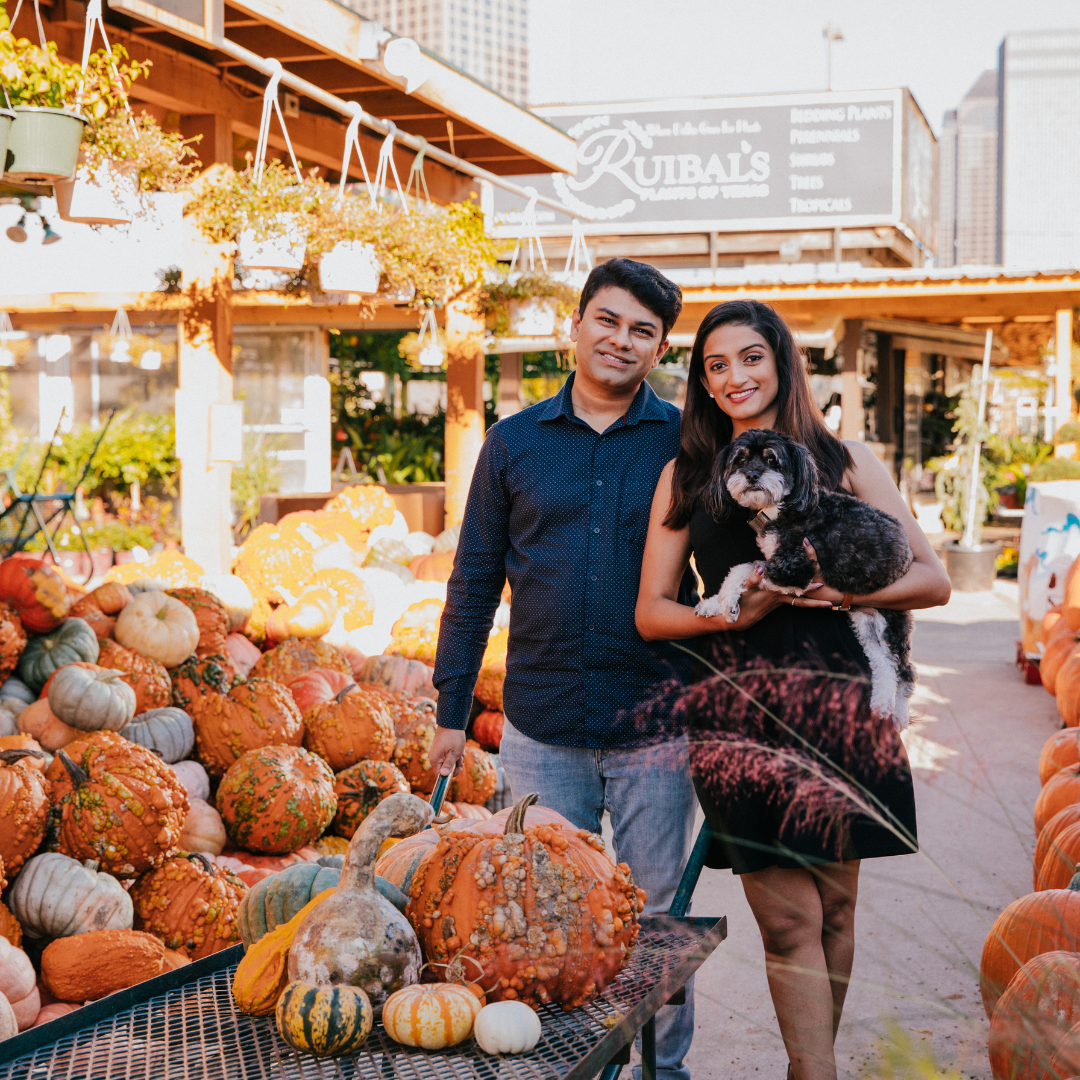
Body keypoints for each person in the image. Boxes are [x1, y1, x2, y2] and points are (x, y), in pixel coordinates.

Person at [635, 300, 951, 1080]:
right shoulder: (689, 475)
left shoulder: (845, 461)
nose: (733, 377)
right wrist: (740, 615)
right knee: (789, 920)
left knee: (837, 909)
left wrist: (845, 595)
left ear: (781, 362)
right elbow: (652, 612)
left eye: (749, 358)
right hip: (738, 718)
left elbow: (932, 580)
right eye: (715, 365)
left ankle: (811, 1068)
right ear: (702, 382)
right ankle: (817, 1072)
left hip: (841, 708)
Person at [429, 258, 698, 1080]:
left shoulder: (686, 440)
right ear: (575, 326)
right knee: (534, 923)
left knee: (658, 929)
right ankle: (562, 1067)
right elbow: (474, 580)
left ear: (658, 349)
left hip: (655, 723)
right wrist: (450, 710)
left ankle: (663, 1071)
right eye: (608, 321)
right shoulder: (511, 444)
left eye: (642, 331)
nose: (621, 341)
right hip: (541, 727)